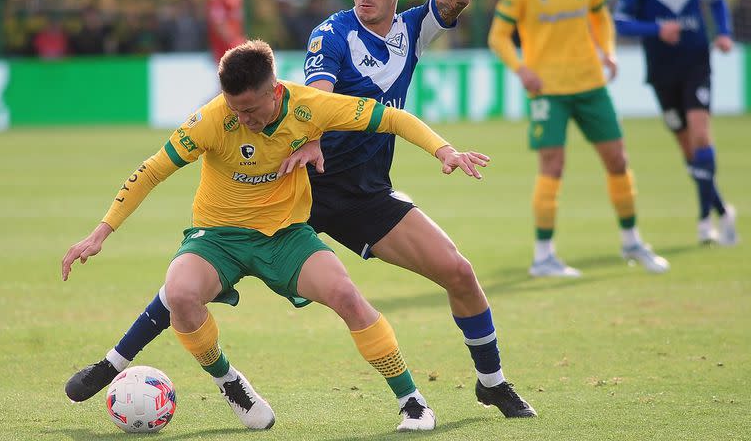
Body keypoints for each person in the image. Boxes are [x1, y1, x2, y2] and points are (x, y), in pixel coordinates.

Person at [65, 0, 537, 420]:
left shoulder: (414, 30)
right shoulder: (330, 34)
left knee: (458, 271)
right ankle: (116, 361)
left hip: (363, 196)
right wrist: (310, 136)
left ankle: (492, 383)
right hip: (301, 185)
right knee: (195, 275)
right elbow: (316, 93)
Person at [63, 39, 491, 431]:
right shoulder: (213, 119)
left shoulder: (310, 106)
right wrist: (101, 232)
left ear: (275, 90)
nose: (242, 119)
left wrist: (444, 150)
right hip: (218, 238)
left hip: (285, 237)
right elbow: (153, 169)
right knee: (178, 294)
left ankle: (412, 401)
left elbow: (392, 118)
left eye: (250, 110)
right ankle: (229, 381)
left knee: (346, 295)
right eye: (235, 110)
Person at [489, 0, 670, 278]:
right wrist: (521, 69)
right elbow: (497, 36)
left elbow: (601, 18)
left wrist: (609, 52)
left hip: (590, 85)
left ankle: (632, 240)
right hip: (547, 90)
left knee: (618, 159)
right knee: (552, 166)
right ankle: (543, 256)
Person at [614, 0, 737, 245]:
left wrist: (723, 33)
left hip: (697, 63)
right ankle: (723, 211)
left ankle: (703, 221)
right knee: (688, 149)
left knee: (700, 134)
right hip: (661, 71)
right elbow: (620, 20)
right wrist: (656, 29)